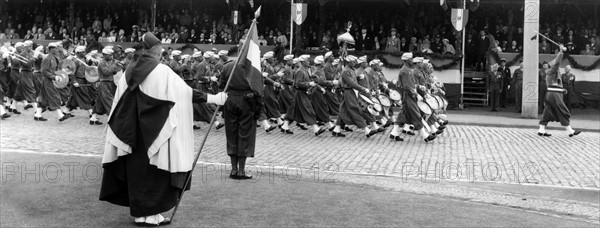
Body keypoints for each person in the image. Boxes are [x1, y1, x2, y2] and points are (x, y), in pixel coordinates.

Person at [99, 32, 227, 226]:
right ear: (156, 51)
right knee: (155, 172)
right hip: (155, 132)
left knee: (136, 171)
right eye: (160, 52)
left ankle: (141, 213)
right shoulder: (161, 71)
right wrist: (213, 98)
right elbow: (185, 92)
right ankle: (151, 215)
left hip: (131, 135)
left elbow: (119, 103)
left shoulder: (127, 72)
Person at [538, 45, 581, 138]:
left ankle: (541, 130)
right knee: (562, 110)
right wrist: (561, 52)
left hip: (552, 93)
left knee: (548, 111)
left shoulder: (552, 73)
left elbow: (556, 85)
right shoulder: (552, 71)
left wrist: (563, 90)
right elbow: (557, 63)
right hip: (555, 94)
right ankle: (570, 131)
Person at [330, 55, 377, 138]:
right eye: (353, 62)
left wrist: (358, 78)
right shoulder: (346, 71)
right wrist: (363, 89)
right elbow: (351, 83)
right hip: (349, 92)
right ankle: (366, 130)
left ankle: (336, 130)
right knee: (355, 109)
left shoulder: (350, 70)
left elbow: (352, 80)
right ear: (349, 62)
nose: (355, 63)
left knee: (343, 111)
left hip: (351, 92)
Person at [280, 55, 326, 136]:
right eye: (307, 60)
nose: (309, 61)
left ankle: (285, 125)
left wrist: (314, 83)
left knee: (292, 110)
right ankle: (316, 129)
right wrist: (308, 84)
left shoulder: (305, 70)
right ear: (303, 62)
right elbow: (297, 84)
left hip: (303, 93)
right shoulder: (300, 71)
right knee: (308, 109)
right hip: (300, 93)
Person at [38, 42, 70, 122]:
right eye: (55, 48)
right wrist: (54, 76)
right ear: (50, 49)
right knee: (54, 96)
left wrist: (60, 73)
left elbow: (55, 69)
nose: (56, 49)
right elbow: (43, 71)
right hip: (48, 80)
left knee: (44, 99)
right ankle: (60, 116)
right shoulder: (47, 58)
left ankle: (37, 114)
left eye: (56, 48)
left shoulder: (54, 58)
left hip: (50, 79)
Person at [90, 47, 120, 124]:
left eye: (112, 55)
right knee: (110, 102)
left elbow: (114, 72)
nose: (111, 56)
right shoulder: (101, 63)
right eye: (110, 55)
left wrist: (116, 66)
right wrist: (114, 64)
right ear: (105, 55)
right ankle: (114, 119)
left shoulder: (109, 62)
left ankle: (93, 118)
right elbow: (106, 72)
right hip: (103, 84)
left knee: (99, 102)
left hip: (110, 83)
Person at [67, 46, 97, 123]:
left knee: (73, 98)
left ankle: (65, 111)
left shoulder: (84, 59)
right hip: (78, 81)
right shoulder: (75, 61)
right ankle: (91, 113)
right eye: (83, 52)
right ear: (78, 53)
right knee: (85, 97)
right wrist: (74, 82)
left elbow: (88, 66)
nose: (85, 53)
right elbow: (71, 72)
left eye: (85, 52)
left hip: (84, 80)